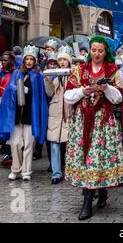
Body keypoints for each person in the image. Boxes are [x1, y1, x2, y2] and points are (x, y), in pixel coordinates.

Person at [64, 36, 123, 221]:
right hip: (82, 121)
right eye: (94, 50)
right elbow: (68, 95)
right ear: (89, 51)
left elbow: (119, 98)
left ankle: (98, 191)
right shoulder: (79, 70)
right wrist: (83, 91)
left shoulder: (113, 71)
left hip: (103, 122)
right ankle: (89, 198)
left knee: (97, 158)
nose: (97, 54)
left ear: (105, 52)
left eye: (100, 51)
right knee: (87, 158)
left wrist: (106, 89)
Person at [0, 45, 48, 181]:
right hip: (17, 114)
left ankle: (26, 171)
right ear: (24, 60)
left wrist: (28, 91)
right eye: (27, 59)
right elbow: (9, 91)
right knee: (15, 143)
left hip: (31, 115)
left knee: (29, 144)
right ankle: (15, 168)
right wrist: (14, 89)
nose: (29, 62)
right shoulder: (17, 73)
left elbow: (40, 95)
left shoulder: (38, 75)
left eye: (31, 59)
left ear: (35, 61)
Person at [44, 47, 72, 184]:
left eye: (64, 60)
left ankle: (71, 170)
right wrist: (48, 80)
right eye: (59, 60)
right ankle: (56, 173)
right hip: (55, 114)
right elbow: (49, 93)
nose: (61, 62)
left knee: (70, 144)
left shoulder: (73, 76)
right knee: (54, 144)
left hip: (69, 112)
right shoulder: (55, 77)